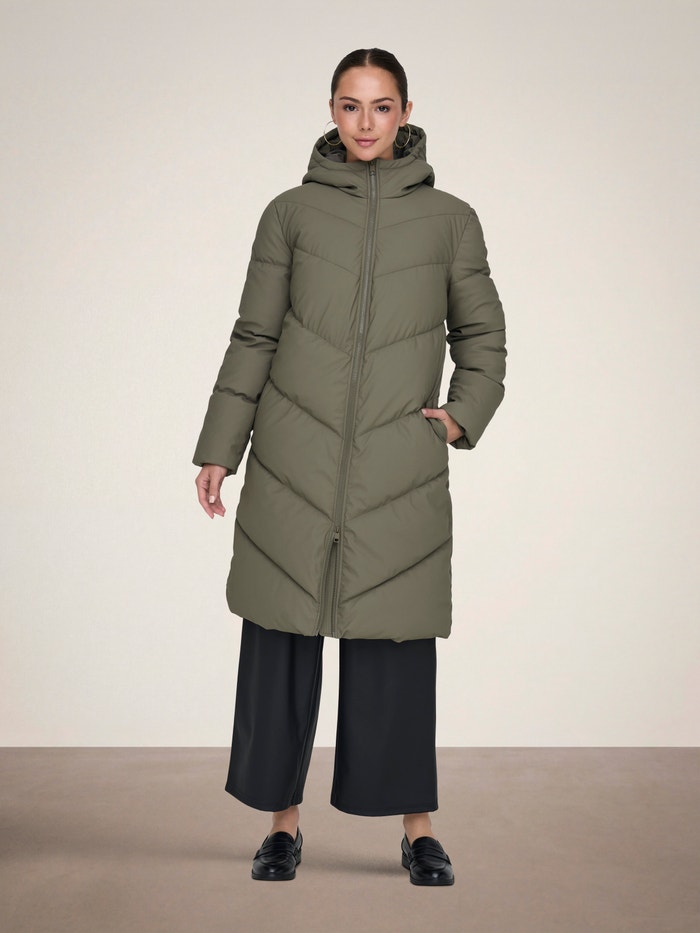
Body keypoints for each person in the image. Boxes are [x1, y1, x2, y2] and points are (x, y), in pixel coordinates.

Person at [193, 47, 506, 886]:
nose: (366, 123)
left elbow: (483, 334)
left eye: (381, 106)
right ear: (331, 111)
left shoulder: (450, 220)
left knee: (394, 645)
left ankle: (418, 829)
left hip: (396, 469)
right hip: (293, 458)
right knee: (281, 639)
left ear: (406, 112)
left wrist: (460, 417)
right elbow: (255, 334)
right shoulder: (289, 214)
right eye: (350, 105)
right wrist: (221, 445)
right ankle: (281, 826)